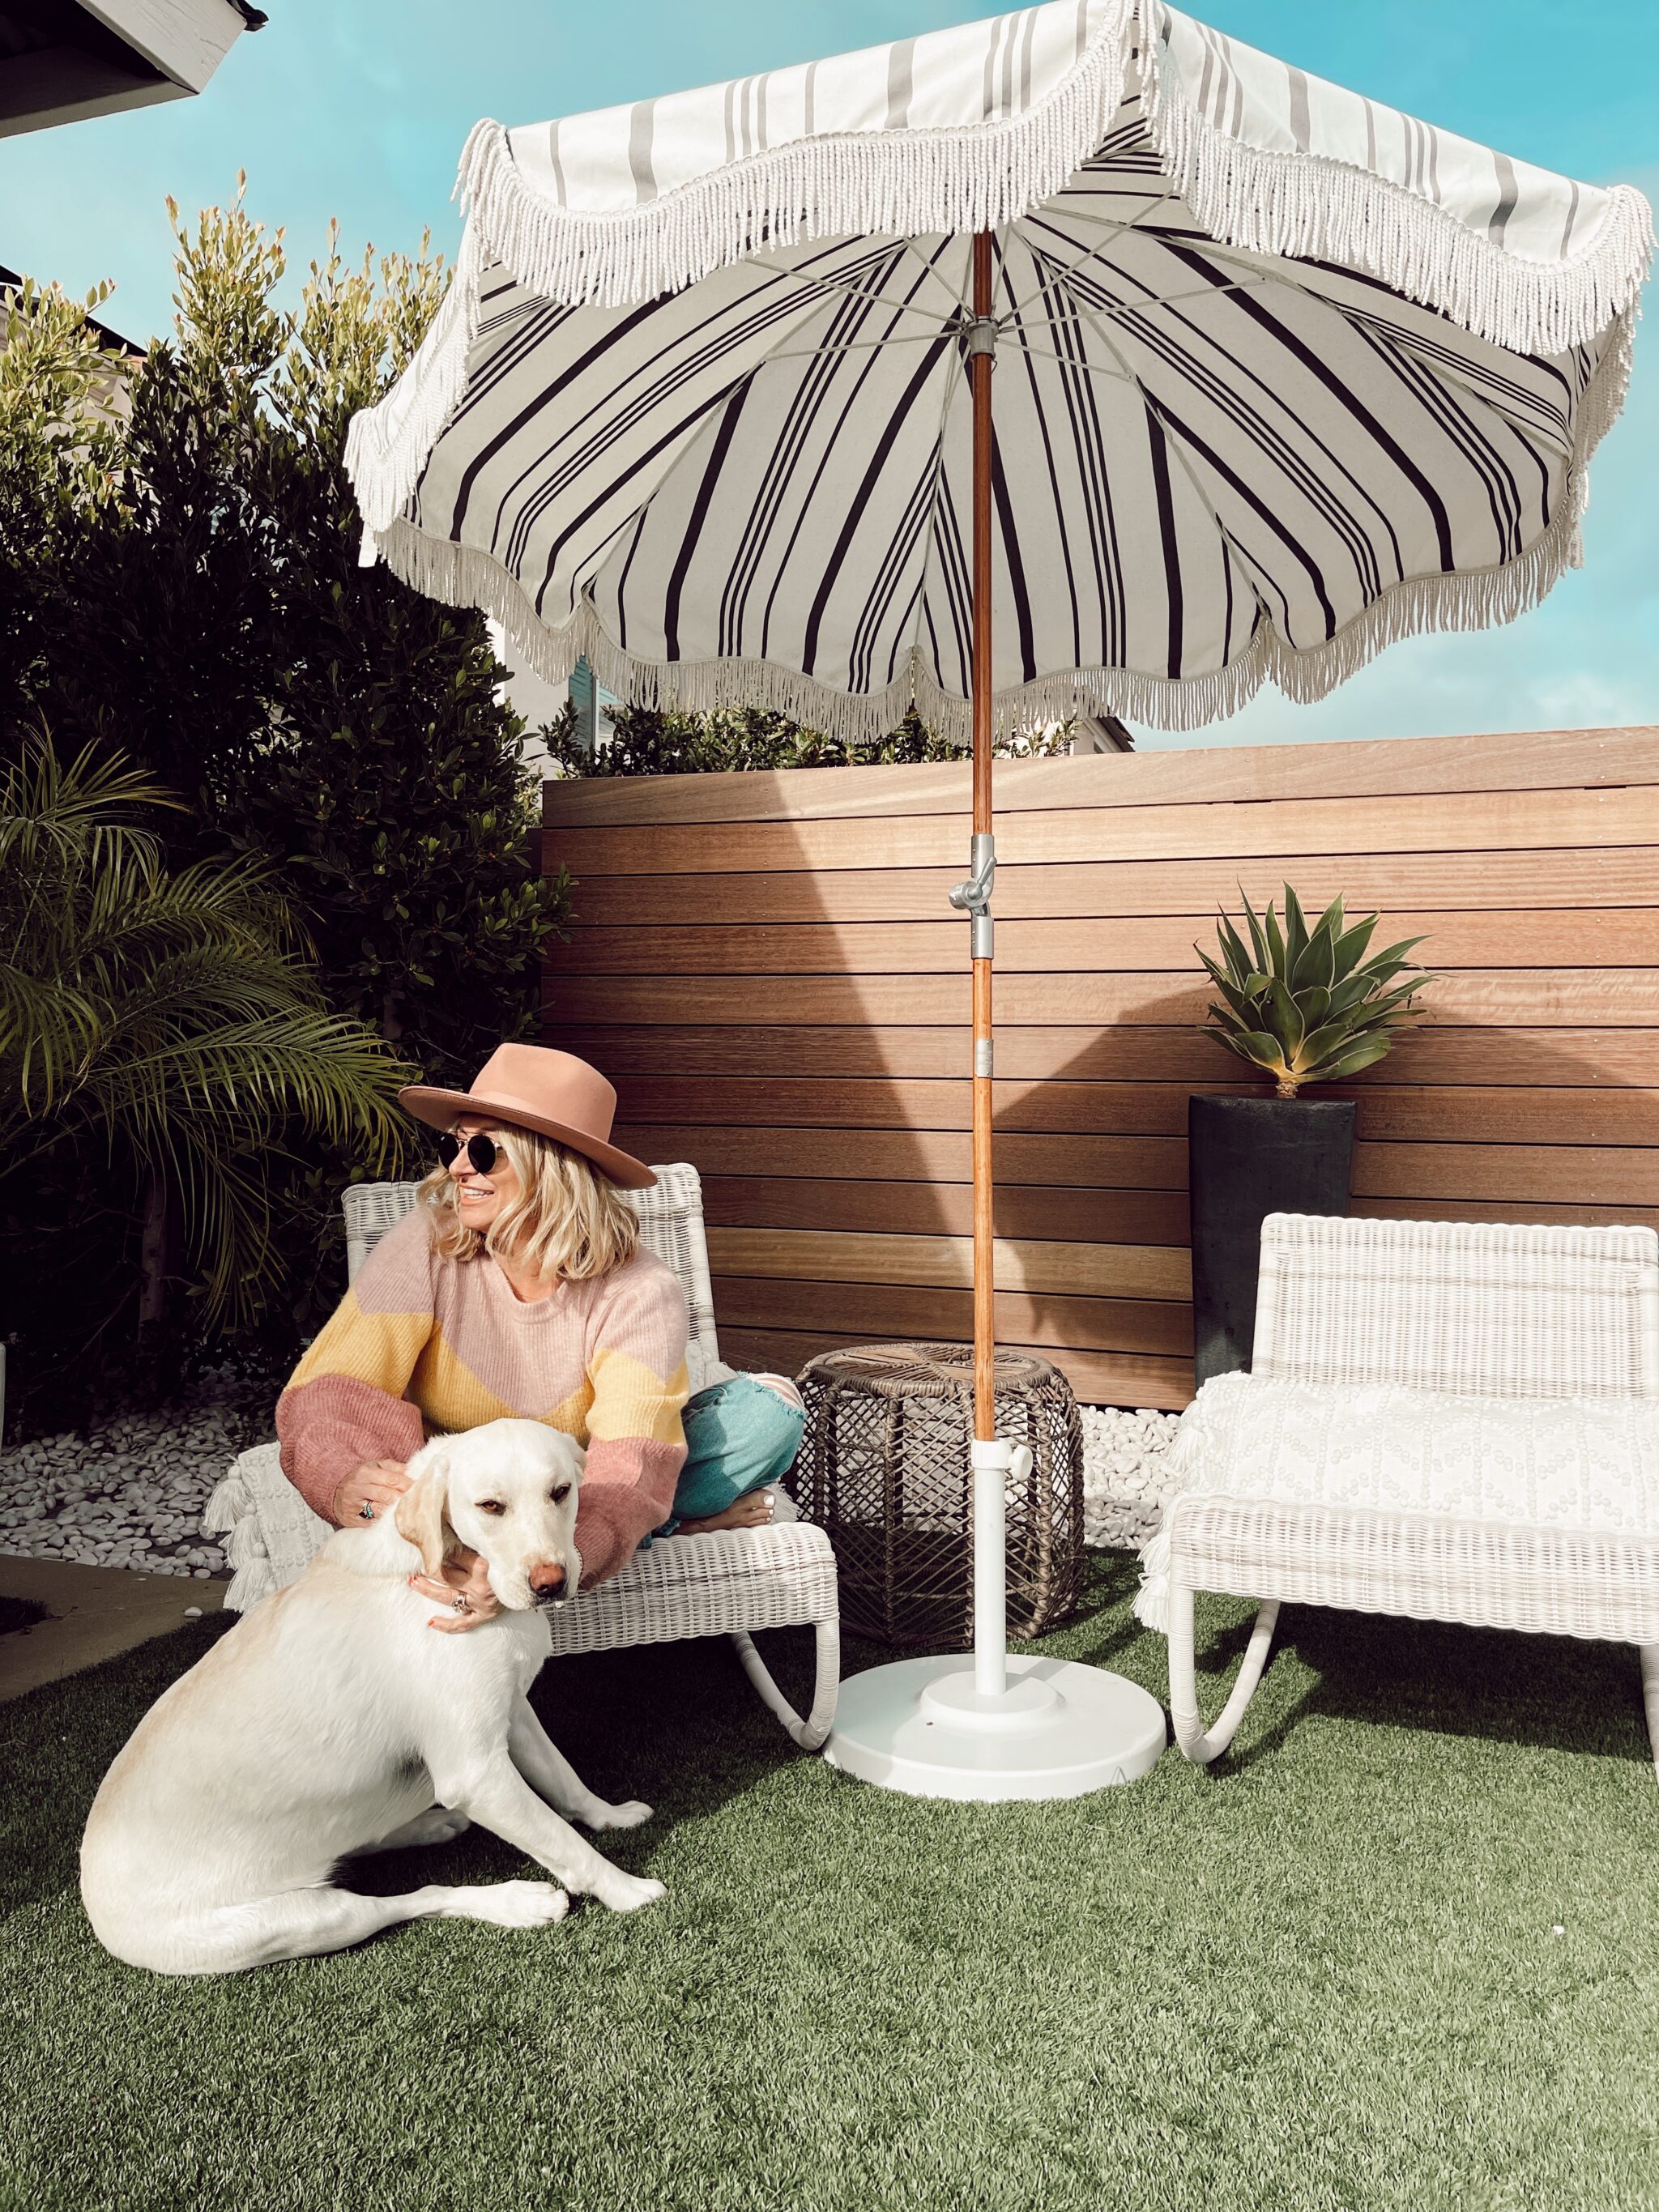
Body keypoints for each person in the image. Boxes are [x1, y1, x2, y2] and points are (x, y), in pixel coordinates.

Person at [275, 1045, 804, 1632]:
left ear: (551, 1165)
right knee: (356, 1443)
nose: (457, 1168)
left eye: (482, 1150)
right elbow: (332, 1389)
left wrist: (533, 1558)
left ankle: (629, 1529)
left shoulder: (640, 1288)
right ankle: (668, 1522)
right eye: (454, 1145)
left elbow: (628, 1460)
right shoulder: (425, 1244)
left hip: (575, 1483)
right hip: (470, 1496)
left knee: (767, 1417)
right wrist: (347, 1478)